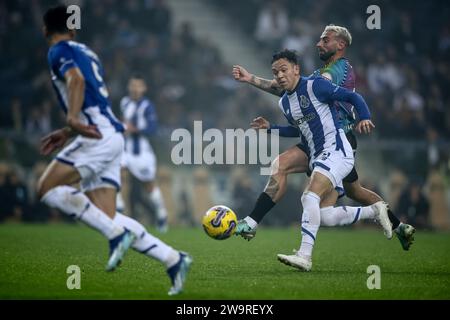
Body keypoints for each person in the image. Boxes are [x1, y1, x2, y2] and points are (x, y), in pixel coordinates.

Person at [37, 6, 191, 295]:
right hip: (111, 135)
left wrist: (71, 120)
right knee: (106, 215)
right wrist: (68, 131)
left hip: (97, 136)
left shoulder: (57, 50)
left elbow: (77, 81)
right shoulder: (88, 52)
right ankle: (173, 258)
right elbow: (93, 97)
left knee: (46, 189)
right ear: (73, 29)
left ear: (46, 30)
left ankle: (114, 235)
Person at [232, 25, 415, 251]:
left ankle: (307, 252)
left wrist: (364, 117)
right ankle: (252, 222)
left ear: (340, 45)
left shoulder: (339, 69)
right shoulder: (316, 76)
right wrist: (252, 80)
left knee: (332, 203)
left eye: (325, 40)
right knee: (286, 167)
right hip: (314, 138)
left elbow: (313, 87)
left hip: (337, 139)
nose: (319, 44)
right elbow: (289, 88)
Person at [262, 49, 381, 271]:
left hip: (336, 149)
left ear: (296, 69)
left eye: (283, 70)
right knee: (325, 216)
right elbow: (298, 131)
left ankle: (305, 256)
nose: (279, 75)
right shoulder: (285, 103)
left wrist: (364, 117)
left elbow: (353, 96)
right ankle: (374, 210)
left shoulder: (315, 85)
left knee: (309, 197)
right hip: (319, 156)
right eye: (275, 72)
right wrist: (270, 128)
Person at [116, 75, 169, 233]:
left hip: (142, 153)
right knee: (117, 172)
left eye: (138, 86)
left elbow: (153, 129)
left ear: (144, 88)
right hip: (125, 150)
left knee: (149, 186)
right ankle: (118, 209)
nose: (135, 89)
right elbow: (123, 121)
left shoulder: (147, 106)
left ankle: (161, 213)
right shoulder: (124, 102)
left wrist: (134, 129)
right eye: (132, 85)